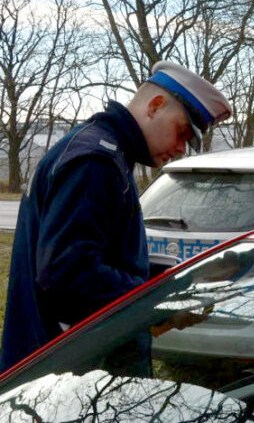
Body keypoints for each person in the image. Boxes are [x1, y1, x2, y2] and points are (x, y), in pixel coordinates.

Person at [0, 60, 232, 372]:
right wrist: (156, 306)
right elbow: (68, 274)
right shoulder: (94, 163)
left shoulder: (99, 150)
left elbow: (102, 258)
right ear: (156, 106)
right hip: (71, 375)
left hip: (70, 366)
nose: (180, 149)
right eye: (181, 133)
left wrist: (172, 282)